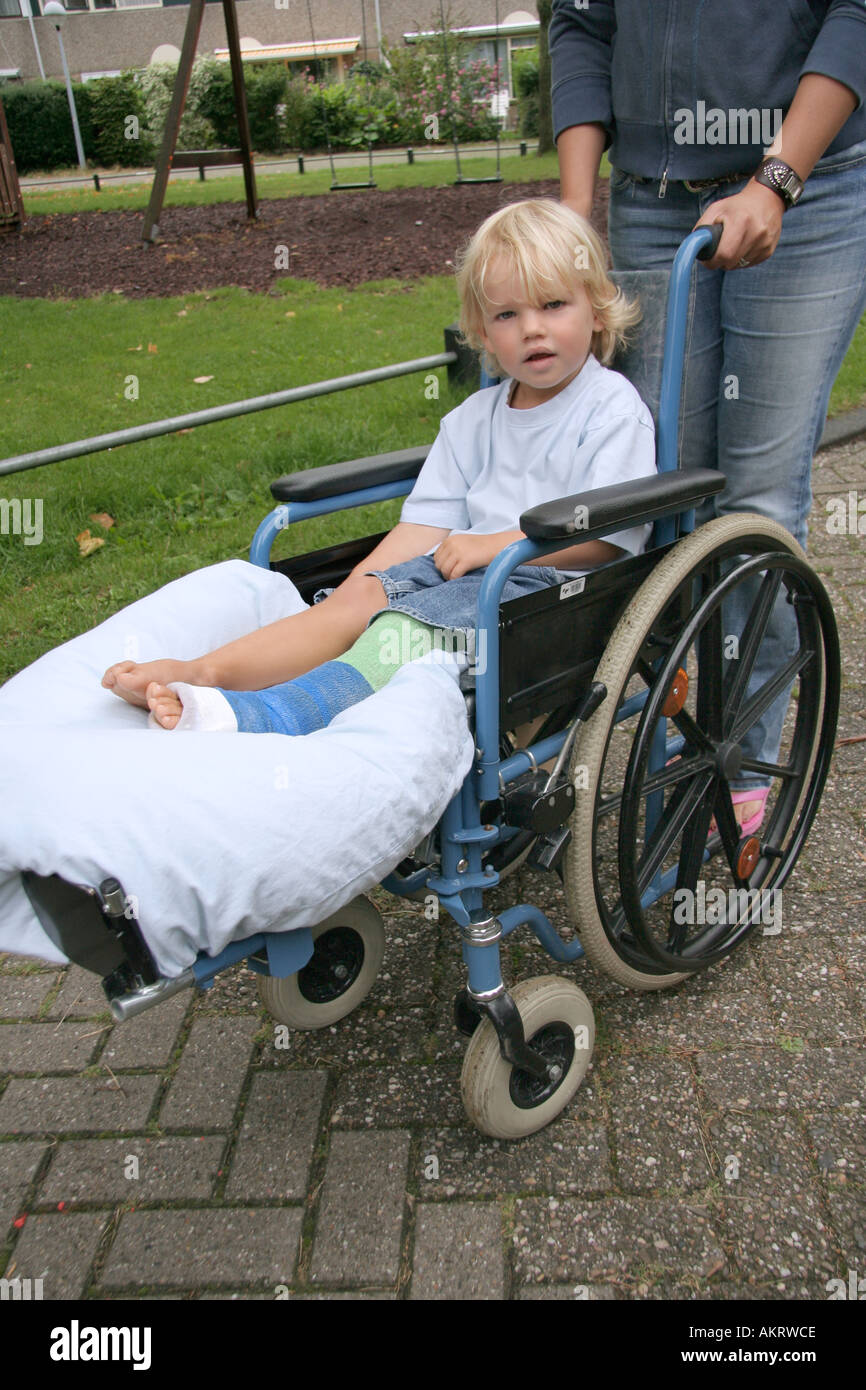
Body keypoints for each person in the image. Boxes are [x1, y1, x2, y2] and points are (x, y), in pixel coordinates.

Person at [102, 197, 656, 734]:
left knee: (399, 629)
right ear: (483, 333)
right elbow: (422, 528)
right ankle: (205, 674)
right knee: (360, 601)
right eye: (508, 314)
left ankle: (271, 716)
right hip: (462, 570)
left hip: (553, 590)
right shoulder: (472, 420)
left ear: (596, 307)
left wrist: (495, 545)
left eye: (553, 305)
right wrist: (364, 586)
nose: (532, 328)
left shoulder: (609, 409)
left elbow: (609, 531)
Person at [549, 0, 866, 831]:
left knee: (754, 497)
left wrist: (780, 177)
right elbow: (581, 20)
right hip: (653, 199)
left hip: (812, 184)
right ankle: (672, 725)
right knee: (660, 494)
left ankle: (736, 757)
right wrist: (576, 213)